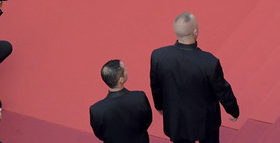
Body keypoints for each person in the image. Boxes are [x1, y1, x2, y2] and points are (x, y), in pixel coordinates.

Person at [150, 12, 240, 142]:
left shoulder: (158, 56)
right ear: (196, 32)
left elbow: (155, 86)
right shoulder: (209, 62)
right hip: (206, 121)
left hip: (177, 119)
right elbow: (222, 90)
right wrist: (233, 110)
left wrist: (158, 106)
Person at [89, 59, 153, 143]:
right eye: (125, 70)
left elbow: (100, 134)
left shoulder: (96, 110)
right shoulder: (139, 97)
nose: (127, 71)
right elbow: (147, 120)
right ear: (121, 80)